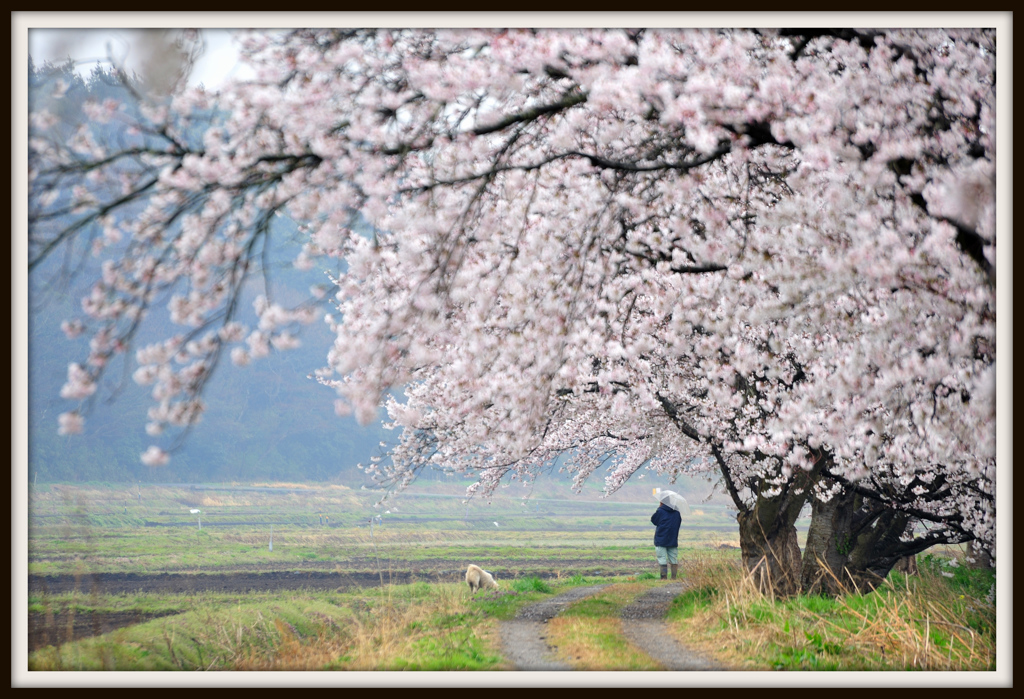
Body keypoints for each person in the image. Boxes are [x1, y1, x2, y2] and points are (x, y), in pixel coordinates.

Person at [650, 498, 682, 580]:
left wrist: (658, 509)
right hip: (673, 539)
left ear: (662, 502)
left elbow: (654, 520)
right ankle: (674, 577)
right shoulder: (677, 513)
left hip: (661, 539)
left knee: (662, 559)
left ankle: (663, 578)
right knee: (673, 559)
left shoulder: (660, 511)